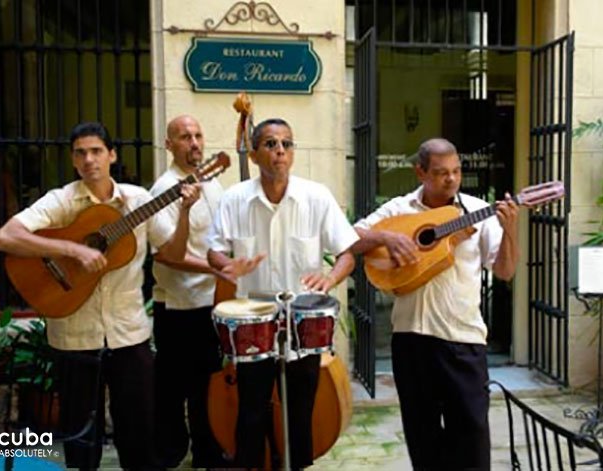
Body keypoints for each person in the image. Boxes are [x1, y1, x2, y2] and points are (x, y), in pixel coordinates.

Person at [0, 121, 200, 469]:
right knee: (80, 441)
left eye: (96, 151)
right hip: (74, 337)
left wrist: (185, 212)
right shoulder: (62, 200)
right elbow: (4, 238)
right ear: (74, 161)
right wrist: (72, 251)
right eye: (81, 153)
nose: (89, 160)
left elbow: (174, 255)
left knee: (139, 435)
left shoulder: (139, 200)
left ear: (111, 155)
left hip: (128, 335)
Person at [352, 138, 519, 470]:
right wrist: (386, 237)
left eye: (456, 171)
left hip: (464, 342)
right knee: (422, 439)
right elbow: (351, 237)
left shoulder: (476, 211)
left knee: (471, 439)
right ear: (421, 172)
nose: (451, 179)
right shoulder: (399, 210)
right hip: (412, 342)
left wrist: (511, 229)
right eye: (441, 173)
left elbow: (505, 270)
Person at [207, 118, 359, 469]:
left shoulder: (316, 196)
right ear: (256, 154)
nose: (280, 151)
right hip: (252, 320)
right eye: (271, 144)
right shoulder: (234, 199)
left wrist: (330, 277)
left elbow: (348, 252)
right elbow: (214, 251)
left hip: (301, 319)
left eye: (286, 144)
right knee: (251, 410)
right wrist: (226, 266)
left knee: (300, 412)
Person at [150, 115, 227, 467]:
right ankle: (172, 453)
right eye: (184, 137)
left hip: (212, 301)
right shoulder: (162, 190)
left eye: (198, 135)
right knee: (176, 389)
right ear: (170, 145)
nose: (194, 142)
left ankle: (207, 452)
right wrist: (218, 268)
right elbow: (170, 255)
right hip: (179, 306)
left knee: (207, 386)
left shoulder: (212, 182)